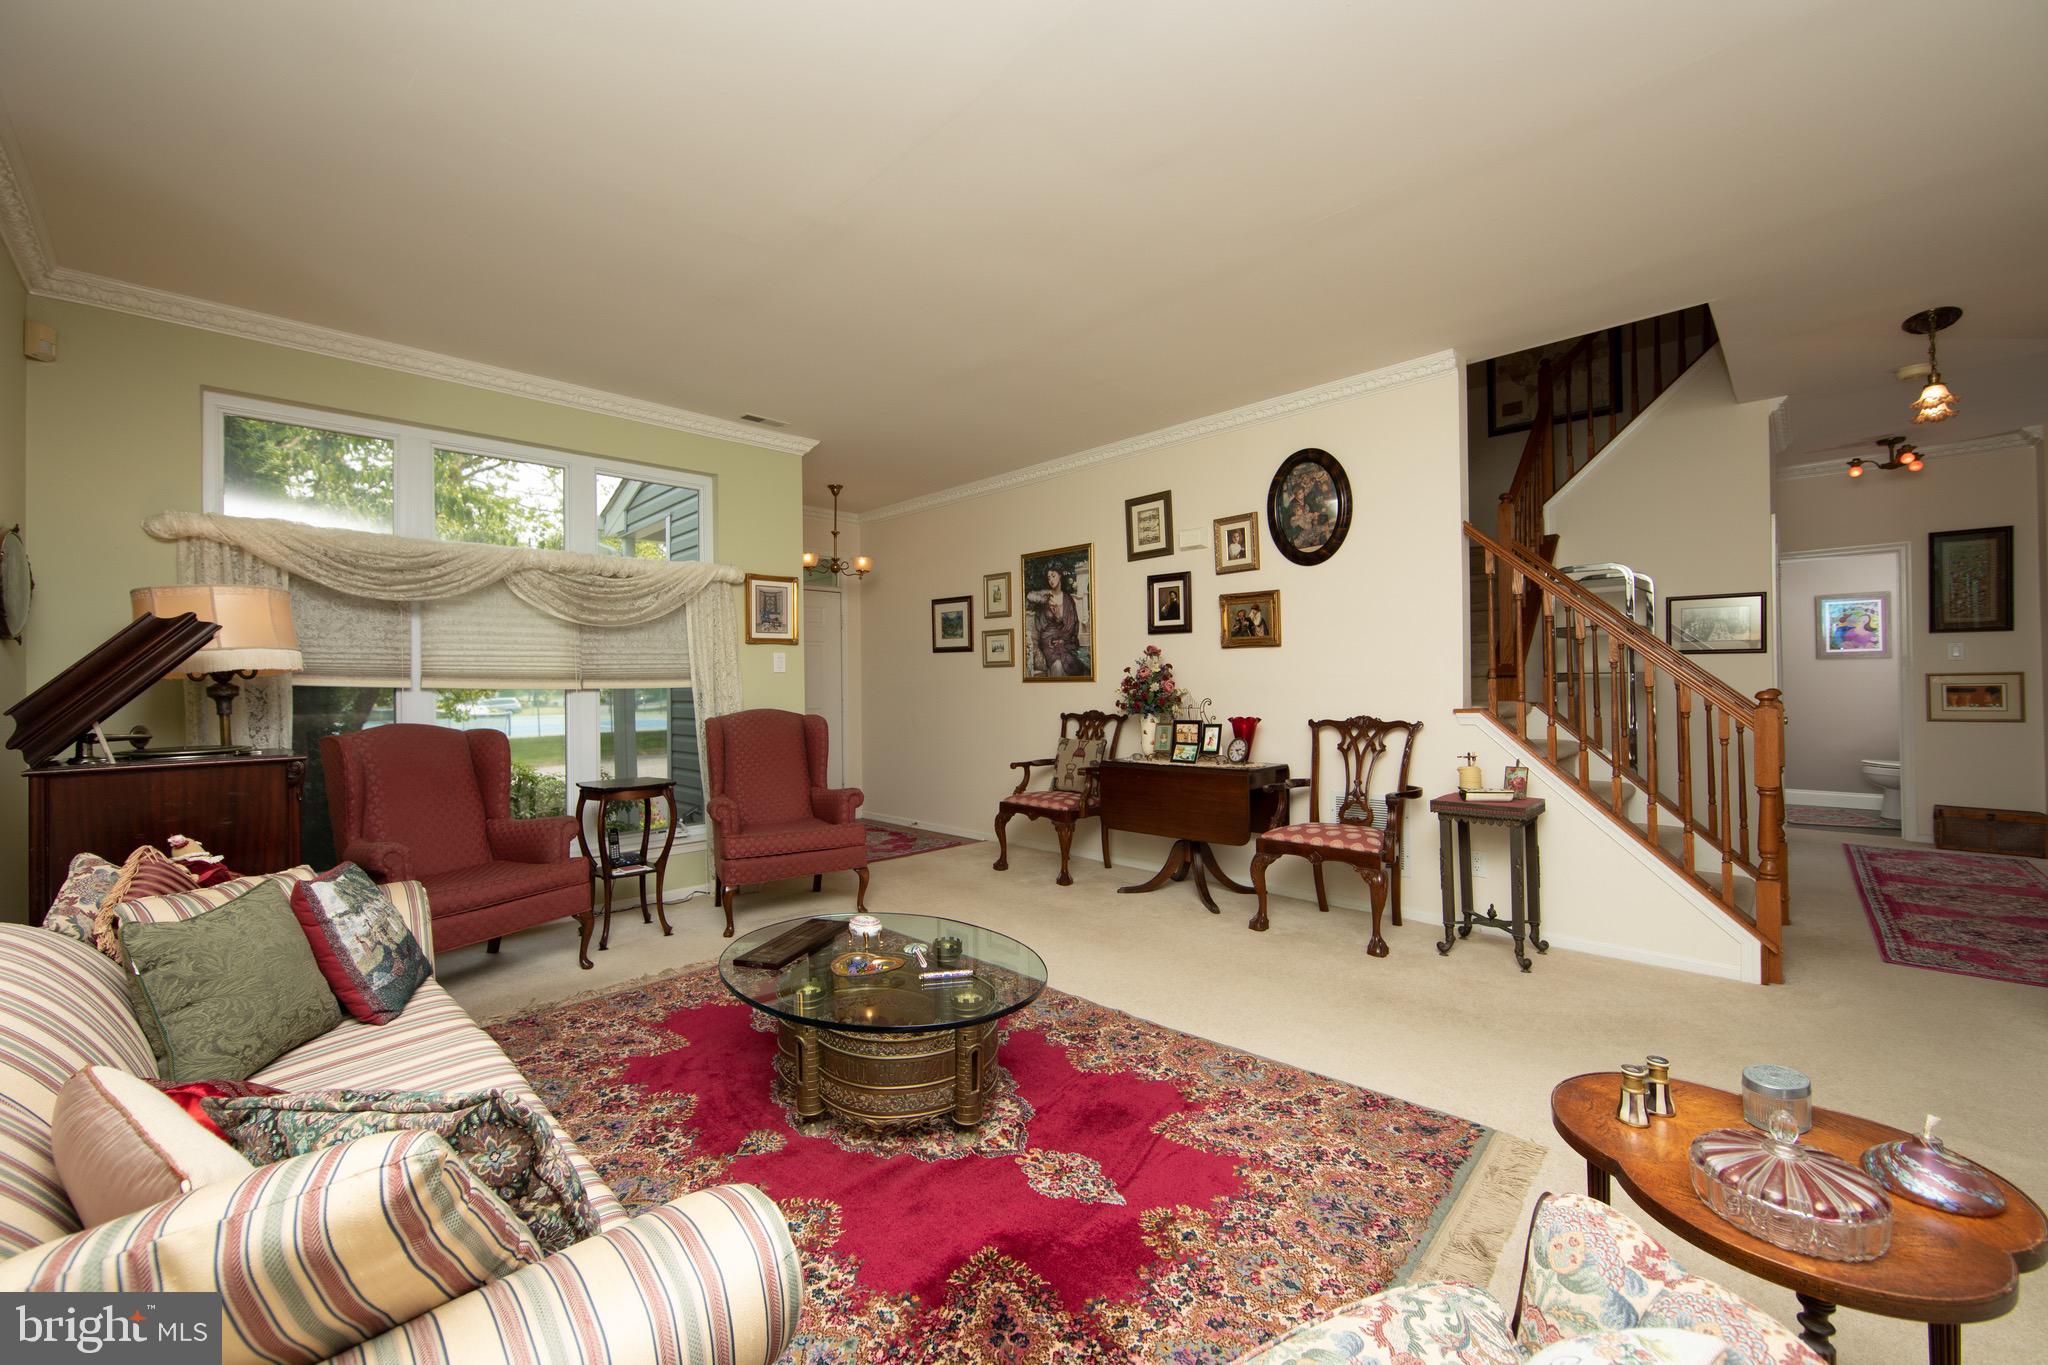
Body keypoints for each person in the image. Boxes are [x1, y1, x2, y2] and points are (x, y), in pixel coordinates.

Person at [1025, 565, 1085, 675]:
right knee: (1057, 664)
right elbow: (1029, 595)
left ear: (1060, 576)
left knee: (1072, 664)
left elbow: (1072, 625)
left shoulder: (1068, 599)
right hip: (1048, 640)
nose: (1051, 580)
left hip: (1065, 641)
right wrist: (1044, 600)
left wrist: (1058, 617)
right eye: (1049, 577)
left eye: (1053, 576)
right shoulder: (1046, 595)